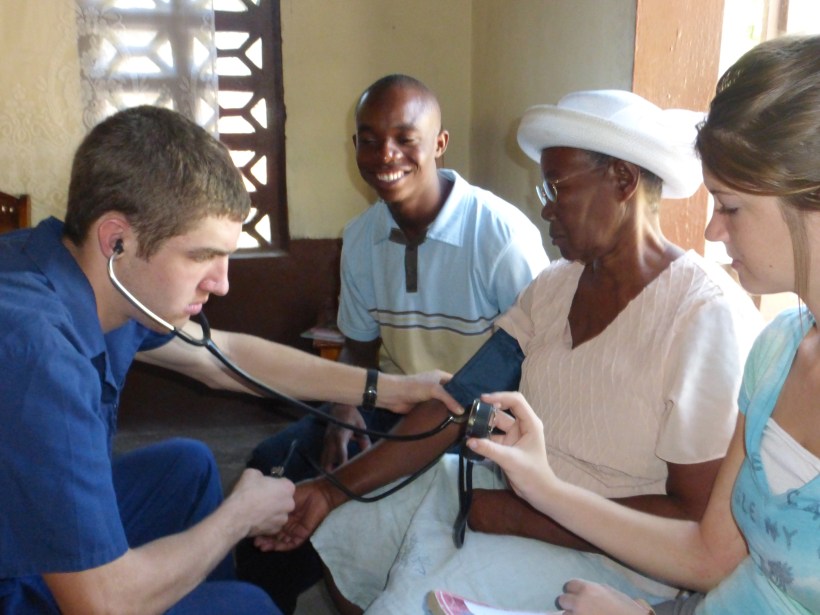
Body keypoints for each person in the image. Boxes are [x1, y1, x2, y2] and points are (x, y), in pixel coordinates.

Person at [261, 90, 764, 614]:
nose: (543, 205)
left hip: (617, 555)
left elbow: (693, 519)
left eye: (555, 187)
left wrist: (525, 515)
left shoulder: (703, 315)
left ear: (622, 180)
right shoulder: (554, 287)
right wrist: (331, 490)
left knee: (415, 604)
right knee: (351, 525)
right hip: (511, 490)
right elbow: (457, 403)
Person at [0, 105, 461, 615]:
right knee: (246, 607)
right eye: (201, 257)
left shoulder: (80, 271)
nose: (221, 283)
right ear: (117, 239)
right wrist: (238, 518)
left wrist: (396, 389)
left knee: (188, 467)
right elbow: (102, 603)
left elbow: (223, 358)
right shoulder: (38, 353)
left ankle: (188, 592)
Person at [467, 35, 820, 615]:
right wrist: (545, 489)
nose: (711, 233)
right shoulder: (779, 352)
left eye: (730, 207)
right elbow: (710, 554)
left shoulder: (706, 313)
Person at [238, 75, 547, 612]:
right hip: (393, 405)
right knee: (274, 468)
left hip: (477, 423)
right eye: (368, 138)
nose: (386, 154)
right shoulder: (361, 238)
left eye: (405, 137)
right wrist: (345, 409)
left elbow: (536, 365)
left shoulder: (498, 235)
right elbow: (359, 351)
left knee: (358, 499)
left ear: (440, 143)